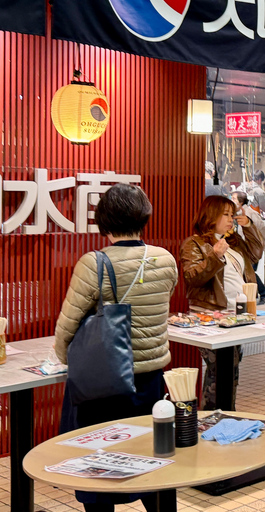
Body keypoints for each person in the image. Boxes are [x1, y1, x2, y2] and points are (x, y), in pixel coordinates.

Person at [55, 184, 178, 512]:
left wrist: (66, 359)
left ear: (104, 220)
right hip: (151, 380)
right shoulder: (164, 259)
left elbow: (67, 326)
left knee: (98, 467)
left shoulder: (93, 263)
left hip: (104, 383)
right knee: (153, 460)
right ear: (144, 216)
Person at [180, 195, 265, 410]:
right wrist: (214, 256)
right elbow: (192, 277)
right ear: (211, 216)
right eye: (225, 214)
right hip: (209, 316)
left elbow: (256, 254)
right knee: (219, 368)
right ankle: (214, 413)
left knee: (231, 367)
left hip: (236, 314)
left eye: (232, 215)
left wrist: (249, 227)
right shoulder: (194, 244)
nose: (230, 219)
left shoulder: (233, 242)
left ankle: (226, 411)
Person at [231, 191, 265, 305]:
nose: (231, 200)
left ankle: (263, 294)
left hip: (250, 249)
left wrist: (261, 245)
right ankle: (257, 295)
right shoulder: (238, 213)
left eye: (234, 198)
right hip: (245, 249)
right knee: (248, 272)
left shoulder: (249, 213)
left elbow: (262, 231)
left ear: (241, 202)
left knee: (249, 272)